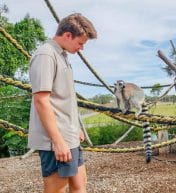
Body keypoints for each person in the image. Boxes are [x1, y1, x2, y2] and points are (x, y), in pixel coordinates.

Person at [28, 13, 97, 193]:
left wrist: (75, 127)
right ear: (68, 35)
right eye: (80, 43)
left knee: (80, 184)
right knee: (56, 189)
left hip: (69, 134)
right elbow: (41, 100)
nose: (81, 48)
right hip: (56, 139)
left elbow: (61, 99)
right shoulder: (46, 54)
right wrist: (58, 141)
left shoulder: (62, 55)